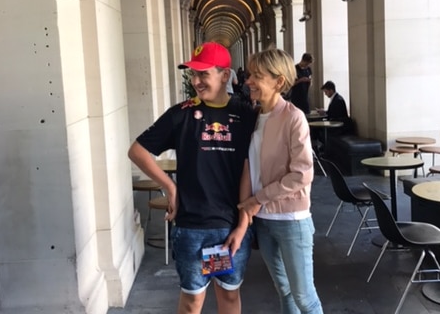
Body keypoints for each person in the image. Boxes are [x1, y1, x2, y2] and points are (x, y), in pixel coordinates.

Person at [128, 41, 256, 314]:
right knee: (192, 302)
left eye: (203, 74)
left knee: (228, 297)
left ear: (225, 75)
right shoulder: (181, 115)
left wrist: (242, 225)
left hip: (229, 230)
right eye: (193, 74)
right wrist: (170, 187)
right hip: (192, 229)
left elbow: (252, 169)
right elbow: (137, 151)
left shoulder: (245, 114)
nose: (196, 81)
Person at [238, 48, 324, 314]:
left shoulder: (293, 118)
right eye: (250, 74)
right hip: (263, 221)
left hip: (292, 222)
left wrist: (256, 200)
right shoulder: (253, 117)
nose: (248, 81)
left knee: (304, 297)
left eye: (257, 76)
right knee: (284, 291)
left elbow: (301, 174)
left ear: (279, 82)